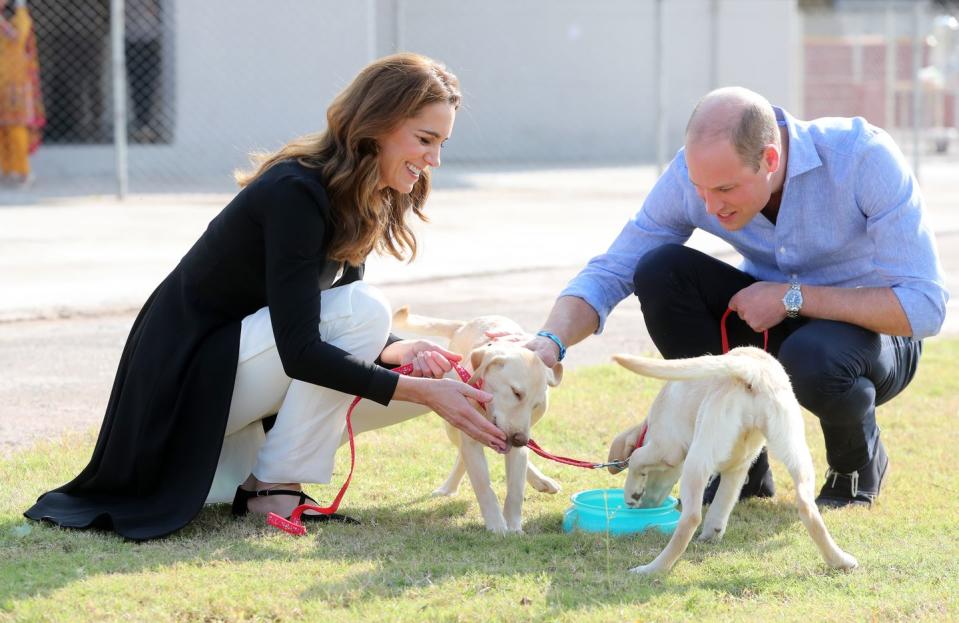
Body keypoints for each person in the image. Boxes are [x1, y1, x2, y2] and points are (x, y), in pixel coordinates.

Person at [24, 53, 507, 541]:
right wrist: (418, 384)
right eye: (425, 140)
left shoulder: (360, 196)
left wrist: (402, 349)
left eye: (441, 144)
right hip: (179, 389)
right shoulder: (295, 191)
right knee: (376, 321)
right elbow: (303, 348)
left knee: (412, 360)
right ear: (374, 126)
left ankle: (268, 476)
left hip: (230, 382)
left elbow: (327, 317)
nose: (435, 160)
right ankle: (271, 486)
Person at [522, 87, 947, 509]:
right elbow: (614, 267)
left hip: (874, 340)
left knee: (812, 355)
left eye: (724, 190)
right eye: (700, 189)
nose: (709, 206)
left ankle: (855, 466)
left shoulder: (862, 157)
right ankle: (740, 467)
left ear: (770, 160)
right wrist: (550, 341)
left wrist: (792, 297)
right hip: (766, 317)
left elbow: (924, 307)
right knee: (660, 270)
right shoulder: (700, 174)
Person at [0, 0, 44, 185]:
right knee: (6, 129)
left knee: (15, 127)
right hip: (7, 81)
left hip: (14, 83)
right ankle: (8, 169)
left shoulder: (18, 20)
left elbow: (17, 35)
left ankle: (19, 170)